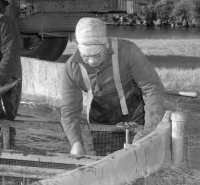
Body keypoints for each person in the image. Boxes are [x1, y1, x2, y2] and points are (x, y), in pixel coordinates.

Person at [60, 17, 164, 155]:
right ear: (78, 47)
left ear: (106, 44)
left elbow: (152, 88)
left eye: (97, 55)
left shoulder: (128, 52)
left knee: (140, 158)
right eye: (85, 56)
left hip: (137, 116)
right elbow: (69, 110)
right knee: (107, 164)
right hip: (101, 121)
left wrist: (149, 131)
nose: (91, 61)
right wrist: (76, 142)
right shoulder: (71, 68)